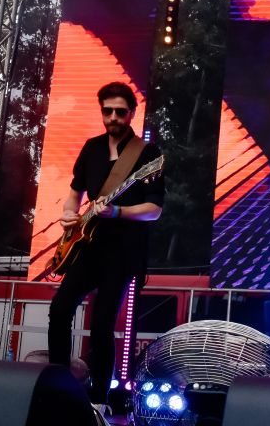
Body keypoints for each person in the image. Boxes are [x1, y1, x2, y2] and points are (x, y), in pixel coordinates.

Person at [48, 82, 164, 409]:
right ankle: (59, 387)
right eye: (107, 111)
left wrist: (118, 212)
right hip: (87, 247)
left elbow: (155, 210)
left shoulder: (147, 155)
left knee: (101, 325)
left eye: (120, 112)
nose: (113, 117)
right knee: (60, 309)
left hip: (123, 252)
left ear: (132, 113)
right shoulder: (91, 148)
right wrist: (69, 214)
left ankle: (99, 400)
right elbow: (75, 192)